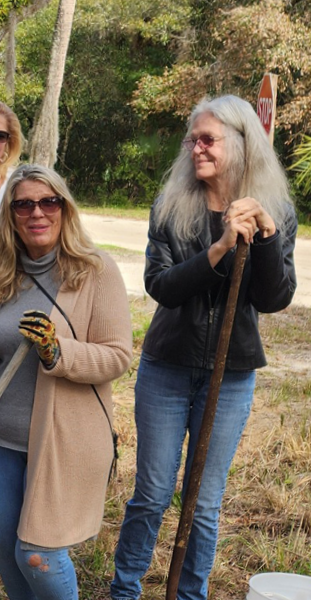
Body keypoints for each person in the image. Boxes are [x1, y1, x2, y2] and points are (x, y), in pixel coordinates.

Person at [111, 95, 297, 600]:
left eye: (208, 139)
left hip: (231, 373)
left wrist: (264, 236)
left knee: (205, 501)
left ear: (241, 144)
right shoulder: (173, 207)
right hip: (167, 367)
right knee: (152, 494)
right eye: (192, 140)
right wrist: (219, 248)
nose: (197, 148)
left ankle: (190, 595)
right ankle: (125, 590)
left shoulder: (276, 211)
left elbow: (274, 299)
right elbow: (162, 286)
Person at [0, 165, 133, 600]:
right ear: (11, 216)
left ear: (64, 208)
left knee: (37, 553)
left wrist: (57, 352)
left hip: (63, 442)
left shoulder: (95, 270)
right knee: (4, 544)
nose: (37, 213)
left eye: (49, 202)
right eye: (24, 205)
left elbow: (118, 356)